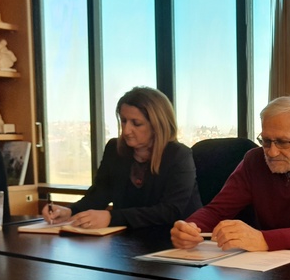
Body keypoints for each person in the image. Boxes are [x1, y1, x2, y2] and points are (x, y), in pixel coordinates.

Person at [171, 96, 290, 251]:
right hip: (275, 263)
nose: (272, 152)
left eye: (283, 142)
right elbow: (217, 211)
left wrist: (264, 240)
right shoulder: (254, 160)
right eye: (266, 141)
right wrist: (190, 228)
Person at [43, 86, 201, 229]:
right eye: (123, 121)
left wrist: (111, 218)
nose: (126, 130)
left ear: (157, 125)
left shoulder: (179, 155)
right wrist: (70, 211)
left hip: (175, 239)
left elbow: (170, 211)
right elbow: (98, 196)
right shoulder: (115, 149)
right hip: (127, 240)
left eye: (136, 123)